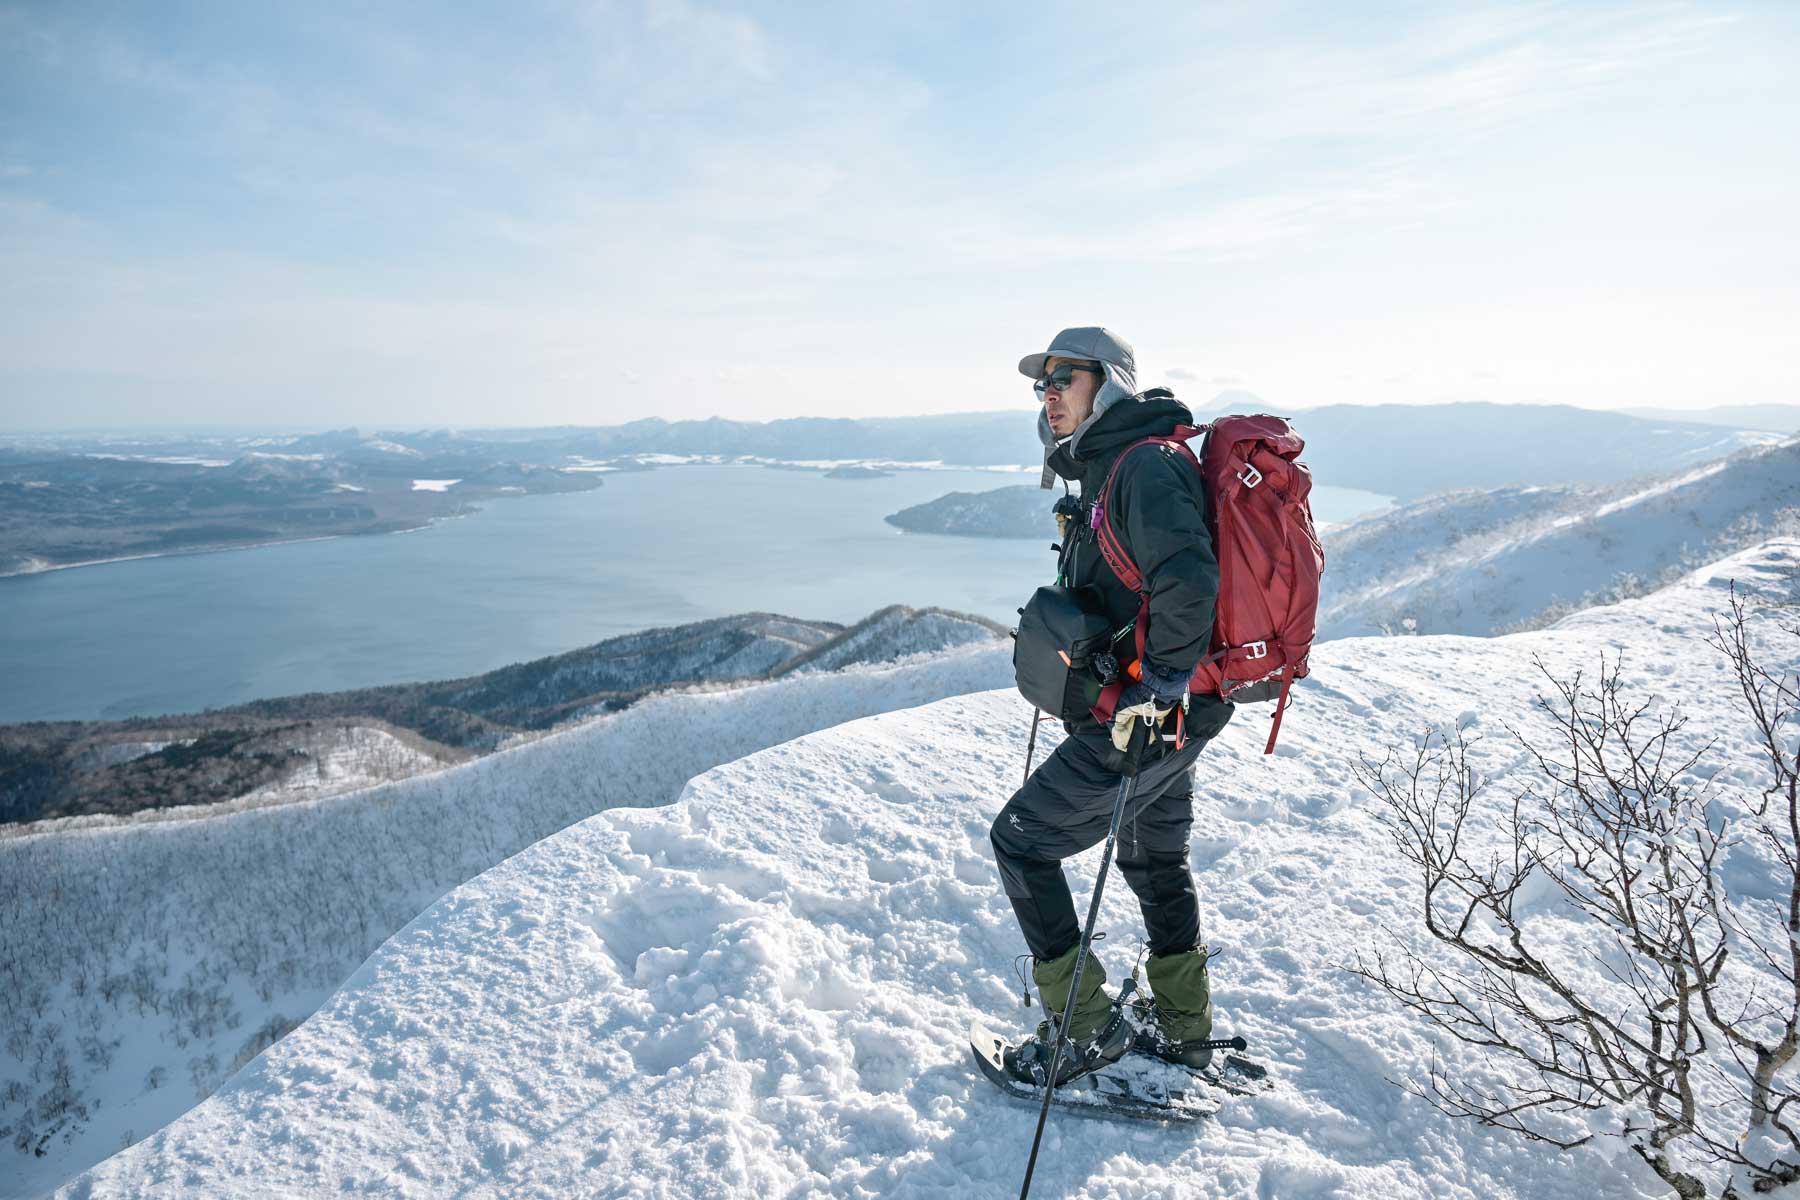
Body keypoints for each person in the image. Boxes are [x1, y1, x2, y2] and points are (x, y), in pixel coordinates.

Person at [993, 326, 1233, 1085]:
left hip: (1154, 709)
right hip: (1172, 706)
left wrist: (1153, 693)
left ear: (1112, 384)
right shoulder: (1113, 469)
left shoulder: (1145, 467)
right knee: (1152, 855)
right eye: (1042, 384)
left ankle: (1084, 1029)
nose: (1048, 394)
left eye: (1064, 378)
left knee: (1023, 842)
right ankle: (1184, 1028)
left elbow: (1190, 581)